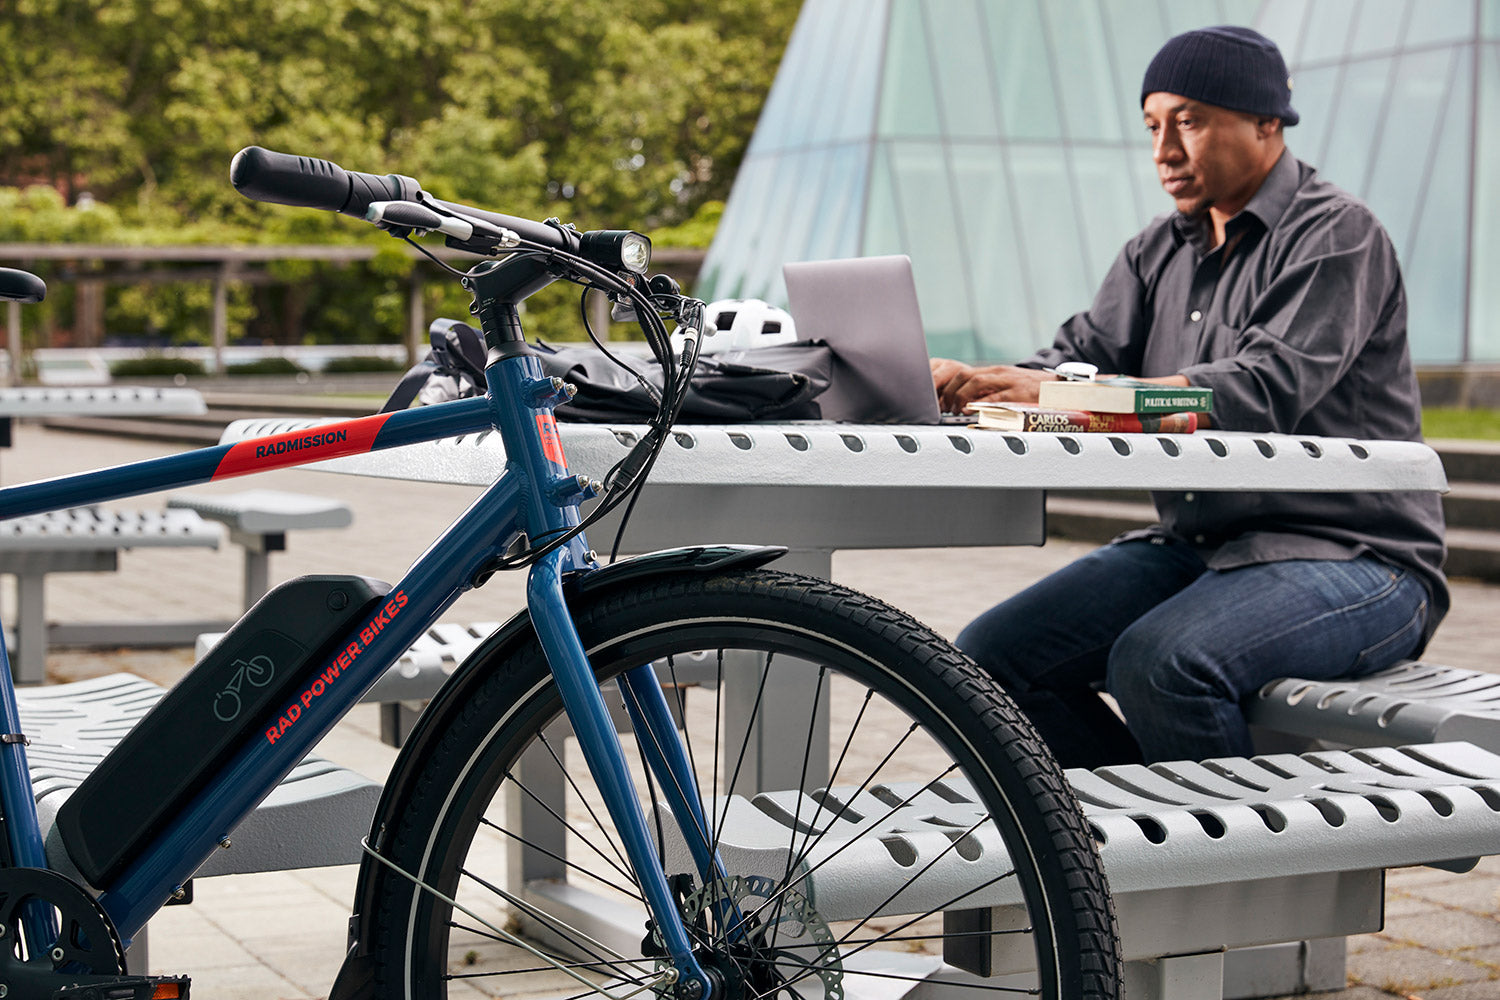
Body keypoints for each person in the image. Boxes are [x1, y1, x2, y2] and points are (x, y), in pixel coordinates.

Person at [931, 25, 1447, 769]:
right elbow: (1072, 361)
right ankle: (1108, 855)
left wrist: (1064, 389)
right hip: (1201, 547)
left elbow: (1259, 389)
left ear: (1268, 123)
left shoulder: (1338, 234)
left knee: (1162, 662)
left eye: (1190, 122)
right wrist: (968, 382)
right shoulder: (1156, 250)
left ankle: (1241, 882)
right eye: (1152, 126)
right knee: (988, 661)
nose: (1163, 152)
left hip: (1360, 559)